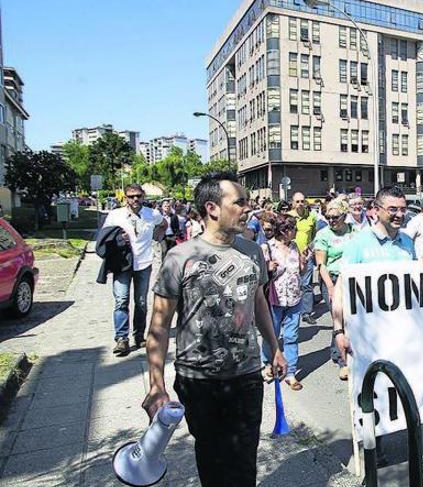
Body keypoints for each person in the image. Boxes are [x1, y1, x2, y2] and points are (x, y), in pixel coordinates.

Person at [142, 171, 287, 487]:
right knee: (213, 460)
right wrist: (156, 385)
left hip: (247, 375)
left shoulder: (251, 251)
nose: (246, 208)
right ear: (212, 208)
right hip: (199, 381)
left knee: (245, 459)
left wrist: (274, 347)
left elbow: (259, 303)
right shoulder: (180, 257)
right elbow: (158, 327)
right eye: (239, 202)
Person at [331, 185, 423, 476]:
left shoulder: (406, 243)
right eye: (393, 209)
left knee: (419, 389)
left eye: (403, 209)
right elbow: (341, 289)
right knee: (375, 396)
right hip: (371, 340)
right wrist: (339, 330)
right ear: (376, 210)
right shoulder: (358, 244)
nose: (400, 214)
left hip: (407, 337)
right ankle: (377, 456)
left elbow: (416, 286)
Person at [102, 184, 167, 356]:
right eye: (131, 196)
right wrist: (118, 238)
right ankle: (122, 339)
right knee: (121, 300)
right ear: (125, 198)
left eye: (138, 195)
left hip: (144, 264)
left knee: (141, 302)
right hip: (123, 264)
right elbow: (104, 236)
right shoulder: (116, 215)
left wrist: (157, 237)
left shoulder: (152, 214)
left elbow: (164, 224)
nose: (135, 199)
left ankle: (139, 335)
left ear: (143, 196)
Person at [314, 198, 356, 380]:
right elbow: (321, 264)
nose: (331, 220)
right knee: (338, 316)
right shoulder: (323, 235)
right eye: (328, 217)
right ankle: (342, 360)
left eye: (335, 217)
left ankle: (343, 351)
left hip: (350, 279)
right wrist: (330, 288)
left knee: (349, 318)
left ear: (344, 216)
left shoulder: (354, 232)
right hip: (331, 279)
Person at [262, 215, 305, 390]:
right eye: (293, 228)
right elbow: (259, 274)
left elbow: (299, 272)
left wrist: (303, 264)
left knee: (292, 336)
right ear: (284, 231)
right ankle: (267, 363)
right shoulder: (267, 248)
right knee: (272, 334)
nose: (295, 231)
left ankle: (290, 372)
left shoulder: (294, 246)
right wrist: (268, 268)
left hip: (294, 298)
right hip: (275, 299)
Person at [290, 192, 319, 324]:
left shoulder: (311, 217)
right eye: (297, 201)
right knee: (292, 283)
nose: (300, 204)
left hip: (306, 256)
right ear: (293, 202)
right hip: (290, 256)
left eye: (302, 201)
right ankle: (290, 309)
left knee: (306, 284)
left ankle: (306, 312)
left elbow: (314, 236)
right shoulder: (288, 217)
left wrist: (310, 249)